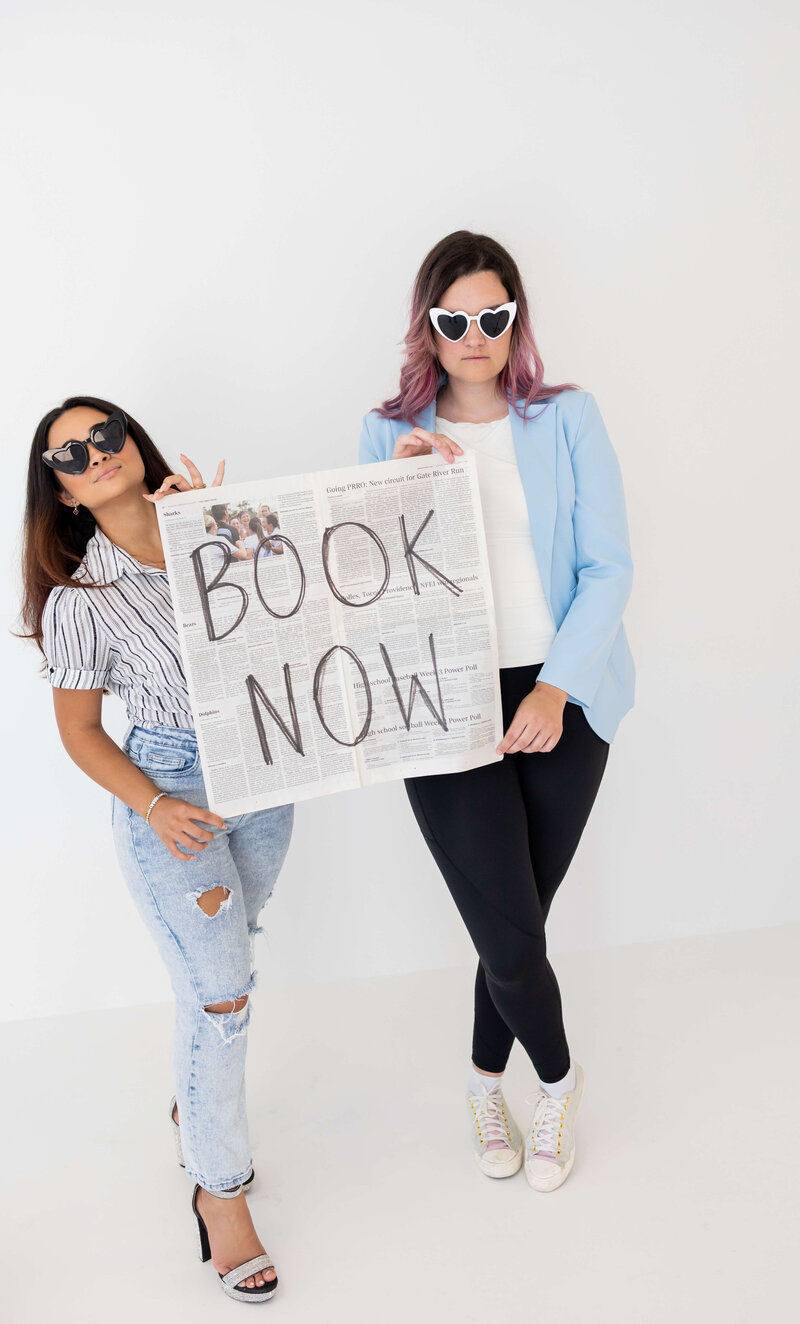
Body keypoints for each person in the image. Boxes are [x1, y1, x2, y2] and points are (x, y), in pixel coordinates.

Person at [358, 231, 634, 1193]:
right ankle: (556, 1083)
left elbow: (609, 569)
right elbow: (364, 589)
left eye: (493, 316)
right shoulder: (383, 430)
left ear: (516, 319)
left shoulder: (567, 418)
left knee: (517, 921)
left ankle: (484, 1080)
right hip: (442, 699)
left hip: (564, 691)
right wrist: (404, 481)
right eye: (453, 320)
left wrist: (557, 687)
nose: (474, 336)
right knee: (507, 926)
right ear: (425, 325)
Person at [19, 397, 294, 1303]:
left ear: (133, 444)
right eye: (69, 453)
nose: (93, 454)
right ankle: (222, 1192)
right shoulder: (79, 598)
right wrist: (156, 803)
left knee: (228, 969)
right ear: (59, 491)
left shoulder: (220, 524)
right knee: (221, 999)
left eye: (105, 436)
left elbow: (296, 623)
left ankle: (192, 1106)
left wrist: (228, 532)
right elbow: (81, 731)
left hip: (264, 772)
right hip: (171, 788)